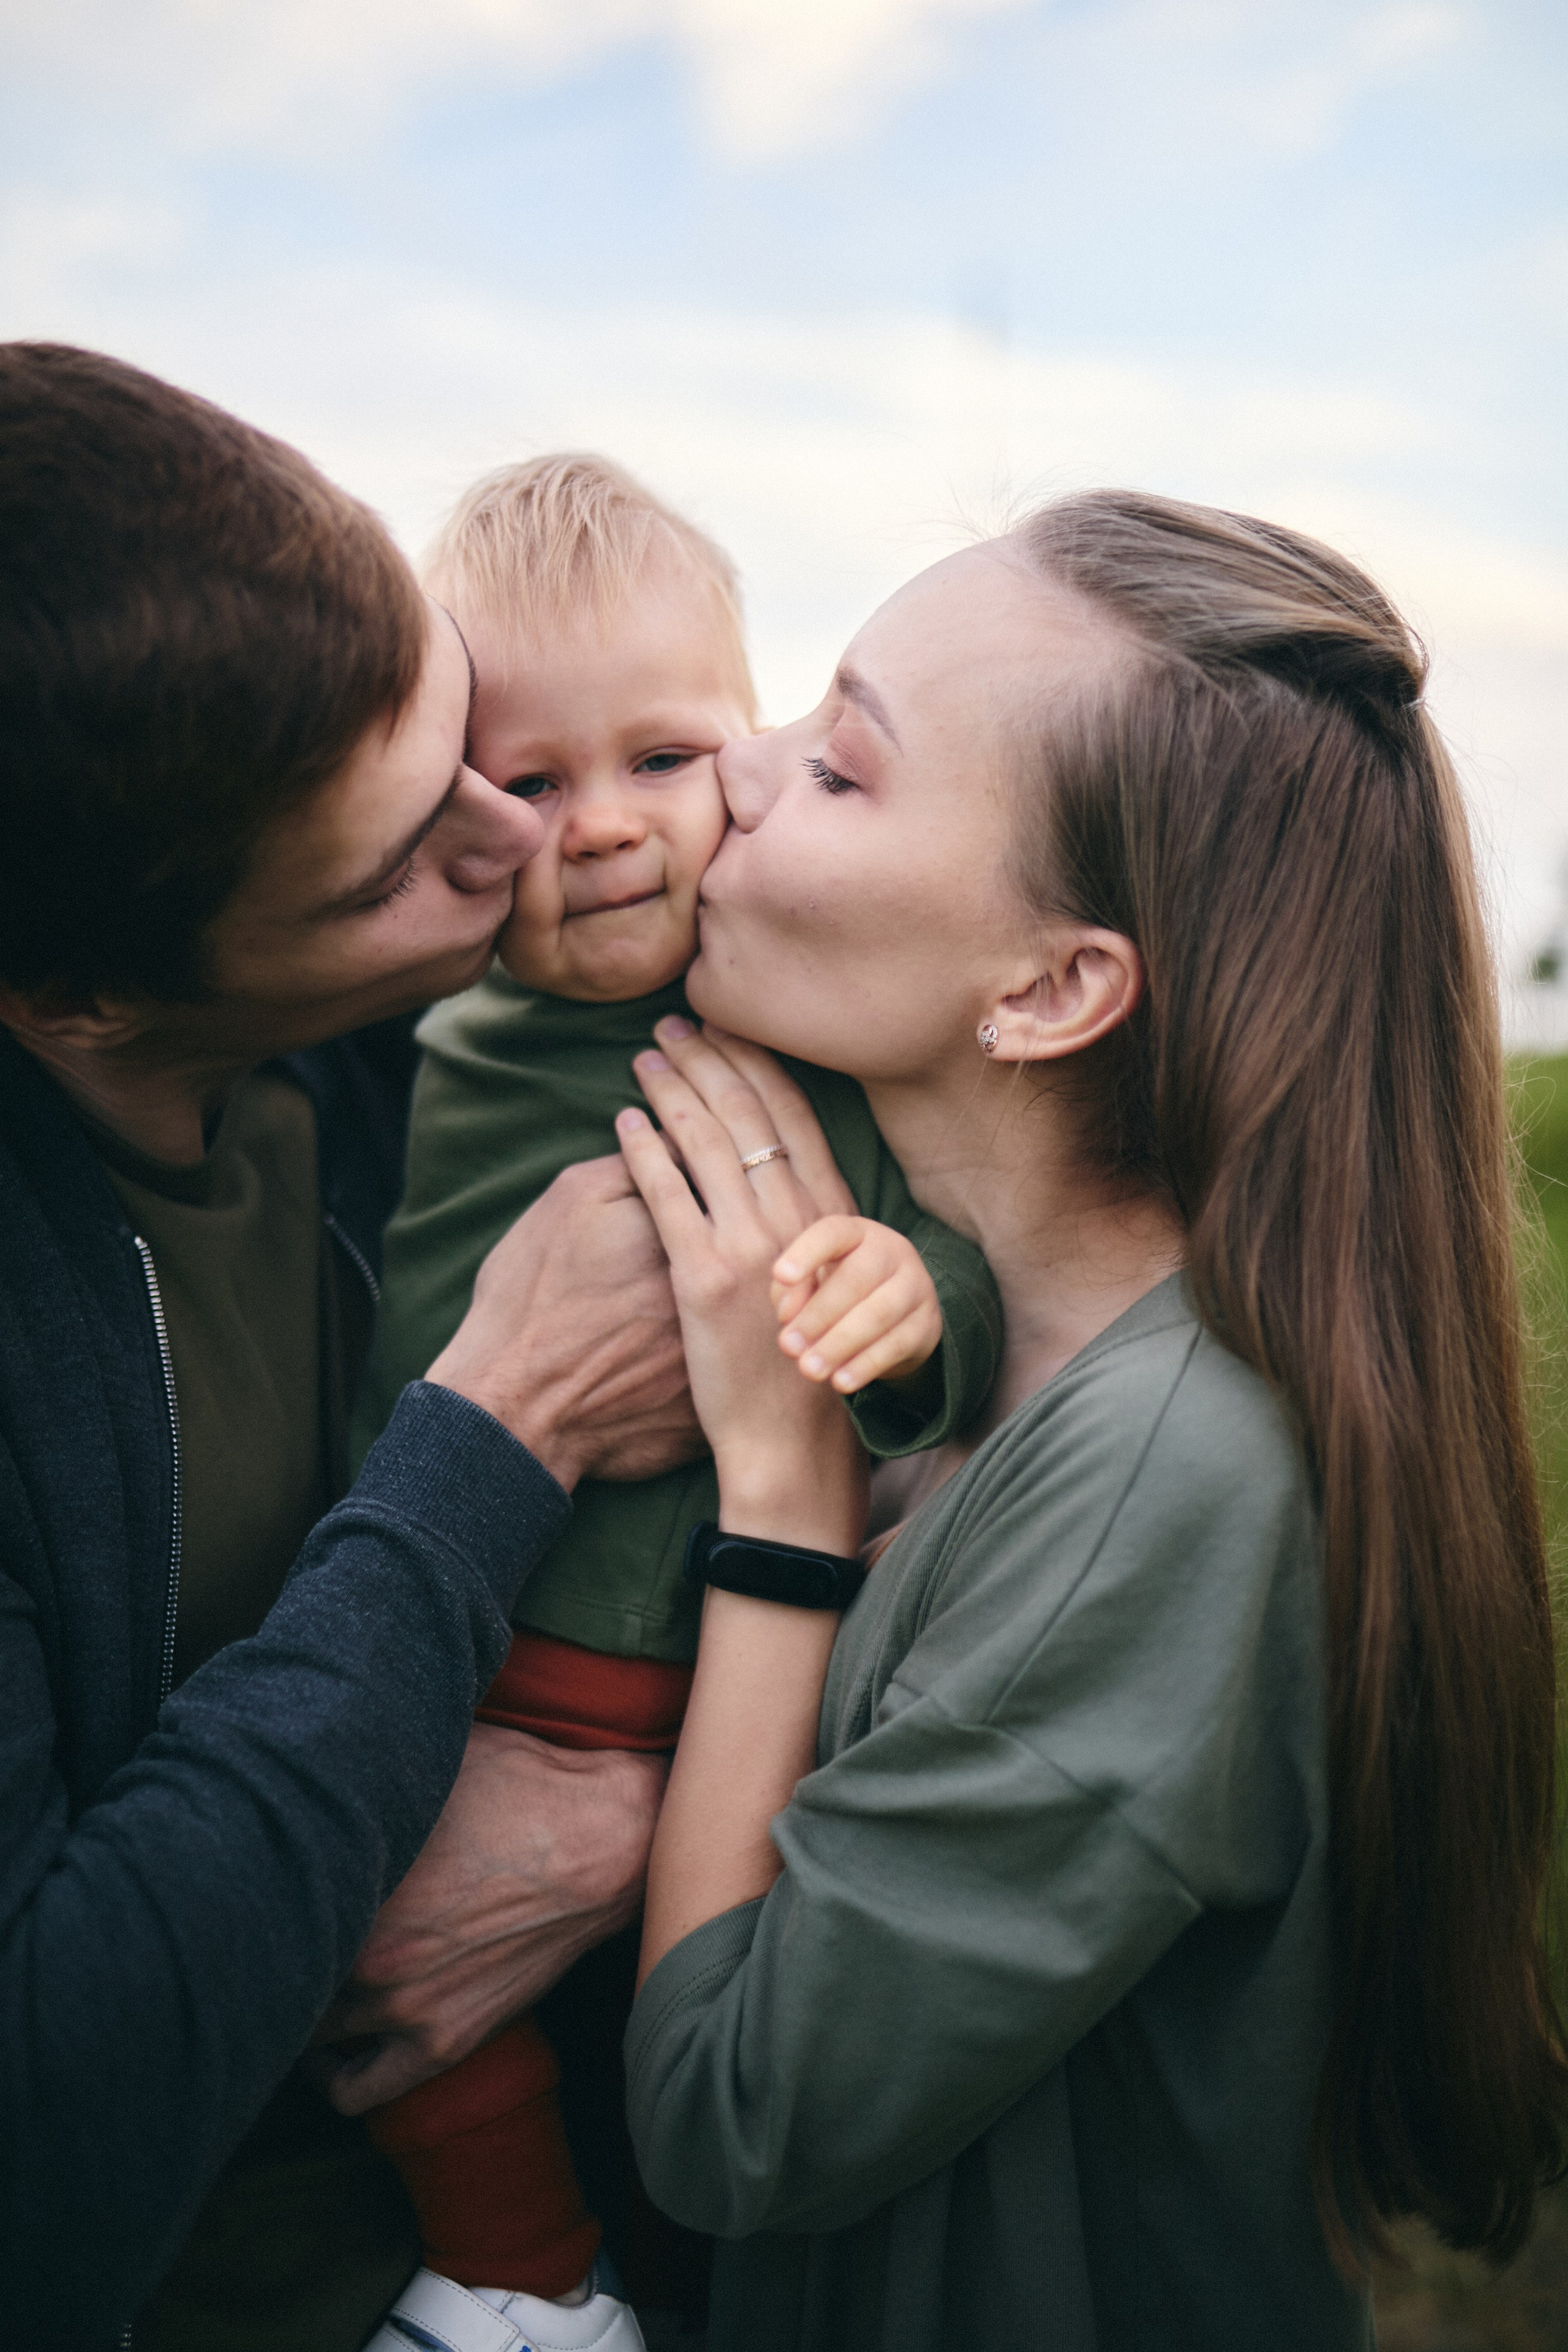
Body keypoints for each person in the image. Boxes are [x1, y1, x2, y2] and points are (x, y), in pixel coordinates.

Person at [606, 493, 1567, 2350]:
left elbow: (730, 2114)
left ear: (1052, 991)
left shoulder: (1164, 1479)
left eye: (843, 768)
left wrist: (783, 1507)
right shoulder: (967, 1336)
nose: (737, 767)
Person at [0, 344, 693, 2352]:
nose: (512, 843)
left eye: (452, 726)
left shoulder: (431, 1071)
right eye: (394, 866)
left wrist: (637, 1818)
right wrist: (502, 1428)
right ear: (78, 996)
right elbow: (41, 2130)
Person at [351, 454, 1001, 2352]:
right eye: (535, 782)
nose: (607, 829)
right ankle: (521, 2286)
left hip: (722, 1689)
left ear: (753, 755)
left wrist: (911, 1310)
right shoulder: (441, 1044)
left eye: (663, 758)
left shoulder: (810, 1030)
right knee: (411, 2000)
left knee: (681, 2031)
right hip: (469, 1661)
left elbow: (943, 1268)